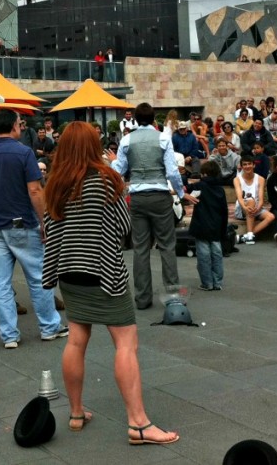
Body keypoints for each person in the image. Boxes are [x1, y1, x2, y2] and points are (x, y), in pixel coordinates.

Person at [42, 121, 179, 446]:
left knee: (76, 339)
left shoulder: (55, 184)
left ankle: (76, 412)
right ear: (92, 146)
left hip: (68, 272)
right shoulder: (105, 181)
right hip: (102, 272)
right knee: (125, 343)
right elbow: (121, 225)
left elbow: (50, 228)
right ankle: (139, 423)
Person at [0, 109, 66, 348]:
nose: (21, 128)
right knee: (37, 276)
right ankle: (49, 327)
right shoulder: (24, 153)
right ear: (14, 126)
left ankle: (9, 335)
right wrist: (44, 221)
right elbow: (35, 190)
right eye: (20, 124)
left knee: (1, 282)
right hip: (22, 222)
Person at [111, 103, 197, 310]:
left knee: (140, 248)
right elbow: (173, 172)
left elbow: (118, 171)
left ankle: (142, 298)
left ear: (134, 120)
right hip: (159, 194)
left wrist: (113, 162)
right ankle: (173, 296)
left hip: (138, 197)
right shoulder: (162, 138)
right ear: (153, 120)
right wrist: (181, 191)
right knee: (167, 245)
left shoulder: (126, 139)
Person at [187, 161, 228, 291]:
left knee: (203, 255)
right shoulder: (220, 189)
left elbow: (184, 190)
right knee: (217, 253)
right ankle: (217, 282)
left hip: (201, 225)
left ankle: (207, 282)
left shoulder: (199, 186)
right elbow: (225, 211)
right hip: (216, 226)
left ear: (203, 174)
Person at [233, 156, 271, 243]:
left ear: (254, 165)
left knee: (271, 217)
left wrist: (258, 208)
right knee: (250, 201)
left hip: (257, 208)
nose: (247, 166)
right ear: (242, 167)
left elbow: (261, 199)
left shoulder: (261, 179)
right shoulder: (237, 179)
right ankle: (250, 235)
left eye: (249, 164)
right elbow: (239, 197)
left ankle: (246, 236)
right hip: (242, 208)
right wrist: (245, 207)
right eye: (244, 165)